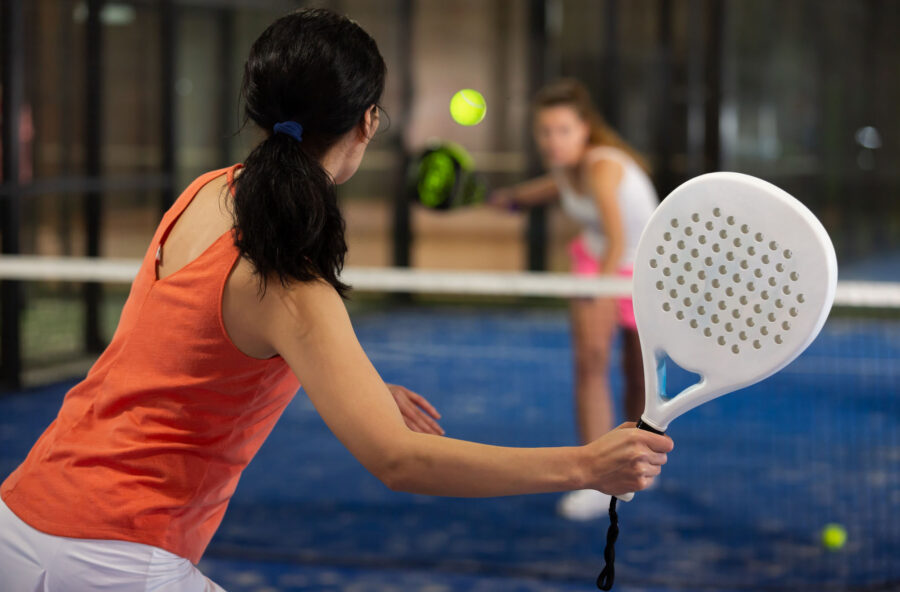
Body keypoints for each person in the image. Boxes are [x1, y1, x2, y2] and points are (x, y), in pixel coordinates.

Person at [0, 11, 672, 591]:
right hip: (111, 557)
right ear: (368, 121)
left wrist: (362, 383)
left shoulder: (205, 192)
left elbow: (200, 345)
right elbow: (399, 460)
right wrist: (586, 464)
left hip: (23, 516)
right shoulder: (290, 278)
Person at [489, 79, 660, 520]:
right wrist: (506, 200)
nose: (553, 140)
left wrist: (599, 291)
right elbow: (540, 192)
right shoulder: (565, 169)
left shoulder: (602, 166)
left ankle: (636, 463)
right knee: (590, 363)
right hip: (596, 259)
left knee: (638, 379)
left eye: (563, 130)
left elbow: (620, 236)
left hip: (642, 271)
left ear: (585, 129)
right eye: (545, 131)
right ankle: (597, 478)